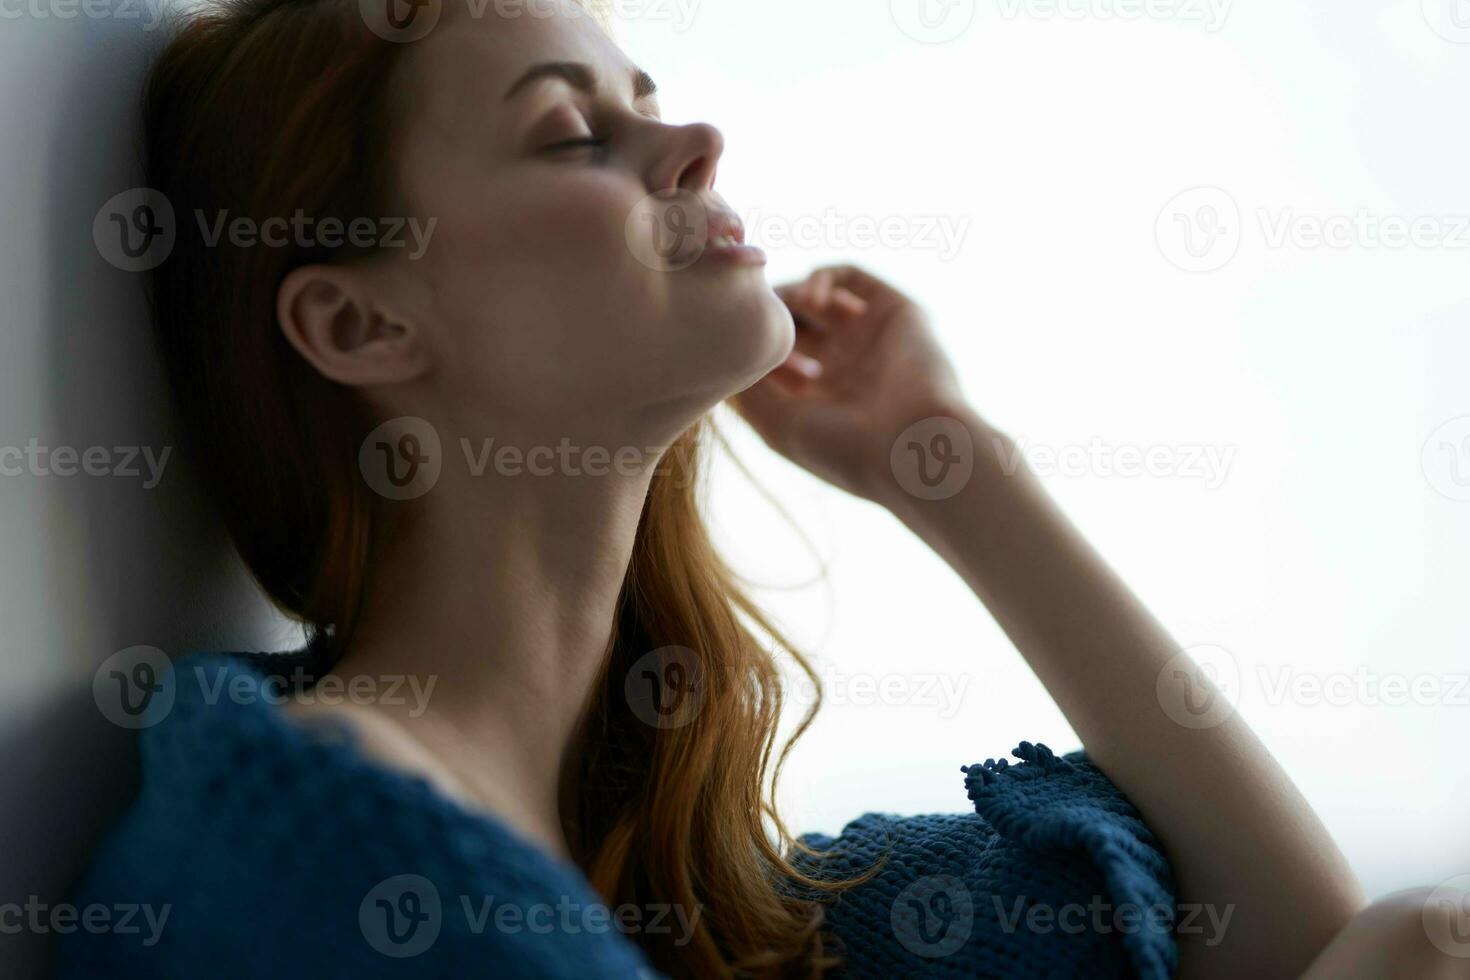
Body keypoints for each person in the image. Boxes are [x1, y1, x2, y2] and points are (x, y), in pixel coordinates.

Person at [60, 0, 1395, 976]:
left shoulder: (690, 894)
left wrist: (947, 468)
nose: (695, 137)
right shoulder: (317, 852)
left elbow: (1278, 931)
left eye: (643, 97)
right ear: (360, 328)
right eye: (573, 132)